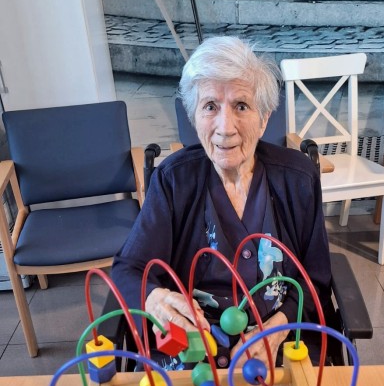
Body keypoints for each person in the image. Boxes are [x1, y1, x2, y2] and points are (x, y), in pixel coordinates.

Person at [112, 36, 341, 369]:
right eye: (210, 106)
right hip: (191, 349)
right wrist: (154, 298)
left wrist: (278, 329)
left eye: (241, 106)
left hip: (279, 342)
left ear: (264, 118)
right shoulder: (174, 180)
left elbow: (315, 279)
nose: (225, 127)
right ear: (194, 117)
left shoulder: (297, 178)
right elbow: (128, 269)